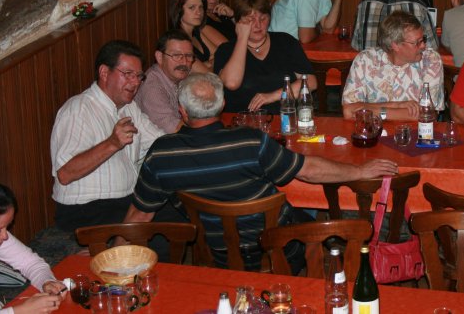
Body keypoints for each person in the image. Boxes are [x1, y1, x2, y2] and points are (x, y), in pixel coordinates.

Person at [123, 72, 398, 271]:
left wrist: (110, 266)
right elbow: (309, 170)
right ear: (222, 105)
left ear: (182, 111)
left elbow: (138, 217)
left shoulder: (161, 154)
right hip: (279, 252)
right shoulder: (250, 142)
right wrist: (360, 170)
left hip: (216, 255)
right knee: (308, 216)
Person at [50, 40, 164, 231]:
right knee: (158, 231)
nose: (136, 82)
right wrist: (112, 143)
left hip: (124, 201)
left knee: (179, 210)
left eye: (138, 76)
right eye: (128, 74)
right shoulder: (78, 109)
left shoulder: (129, 107)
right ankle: (121, 246)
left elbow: (160, 142)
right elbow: (65, 174)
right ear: (104, 72)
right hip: (86, 210)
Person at [214, 0, 316, 113]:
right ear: (239, 22)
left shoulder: (285, 42)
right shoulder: (226, 50)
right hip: (242, 119)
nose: (258, 25)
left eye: (263, 18)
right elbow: (231, 83)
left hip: (284, 116)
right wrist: (242, 38)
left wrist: (272, 96)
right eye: (250, 20)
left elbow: (311, 82)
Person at [0, 177, 66, 314]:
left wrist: (46, 281)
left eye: (7, 227)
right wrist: (22, 311)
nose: (5, 236)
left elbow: (30, 263)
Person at [343, 11, 444, 120]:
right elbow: (348, 111)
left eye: (423, 39)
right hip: (373, 130)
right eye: (417, 42)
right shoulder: (365, 60)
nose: (423, 45)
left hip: (414, 130)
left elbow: (427, 114)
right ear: (395, 45)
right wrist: (397, 105)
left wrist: (373, 111)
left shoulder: (431, 60)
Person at [134, 30, 195, 134]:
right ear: (159, 57)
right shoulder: (152, 88)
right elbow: (175, 131)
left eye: (189, 56)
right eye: (176, 55)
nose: (184, 62)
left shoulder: (179, 75)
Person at [170, 0, 227, 72]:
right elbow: (207, 74)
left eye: (200, 7)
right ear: (179, 10)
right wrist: (211, 62)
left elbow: (223, 55)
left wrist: (207, 64)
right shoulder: (178, 41)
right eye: (192, 7)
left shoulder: (197, 33)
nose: (199, 12)